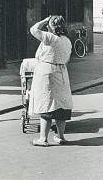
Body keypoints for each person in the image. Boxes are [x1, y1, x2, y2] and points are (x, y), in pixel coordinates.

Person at [29, 15, 73, 146]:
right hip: (62, 73)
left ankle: (43, 138)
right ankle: (60, 136)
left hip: (47, 73)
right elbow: (67, 59)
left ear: (52, 26)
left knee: (46, 104)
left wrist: (44, 20)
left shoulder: (50, 38)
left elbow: (33, 29)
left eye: (49, 25)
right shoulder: (67, 41)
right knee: (61, 105)